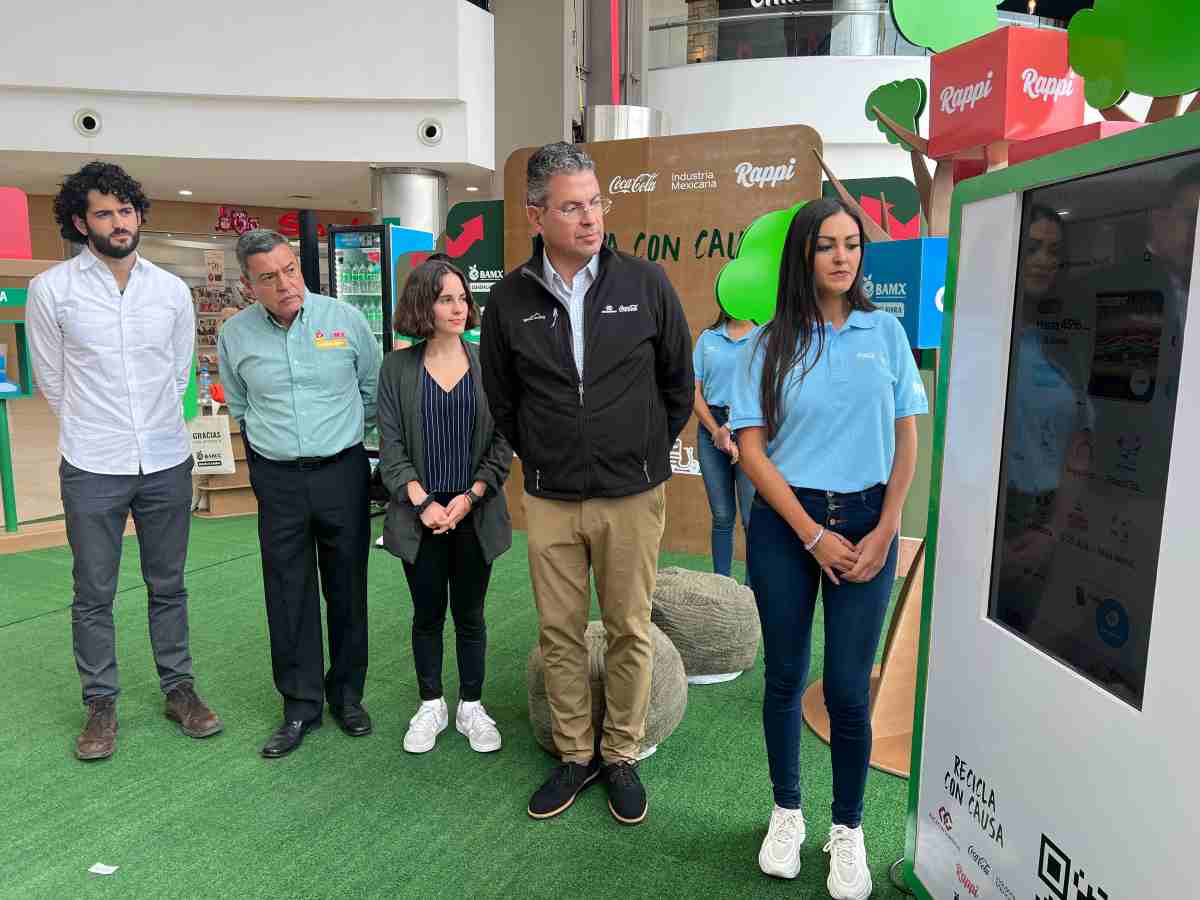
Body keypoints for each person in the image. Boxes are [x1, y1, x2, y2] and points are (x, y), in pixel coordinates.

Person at [480, 142, 693, 825]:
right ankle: (576, 754)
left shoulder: (645, 283)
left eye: (596, 202)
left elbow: (677, 383)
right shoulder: (508, 299)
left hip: (632, 495)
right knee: (560, 632)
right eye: (572, 207)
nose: (590, 218)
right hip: (550, 498)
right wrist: (544, 454)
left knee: (630, 627)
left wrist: (641, 452)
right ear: (536, 214)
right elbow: (502, 399)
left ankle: (621, 753)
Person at [730, 198, 927, 898]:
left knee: (847, 688)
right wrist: (812, 536)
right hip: (788, 526)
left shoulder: (886, 332)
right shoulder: (766, 344)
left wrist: (887, 529)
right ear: (803, 255)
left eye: (852, 244)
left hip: (871, 522)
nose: (842, 257)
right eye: (827, 245)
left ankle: (849, 829)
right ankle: (787, 812)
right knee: (785, 677)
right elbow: (752, 451)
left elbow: (907, 435)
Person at [27, 161, 223, 760]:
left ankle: (178, 689)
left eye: (127, 210)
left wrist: (150, 425)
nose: (119, 222)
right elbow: (52, 379)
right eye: (104, 213)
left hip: (165, 457)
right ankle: (101, 703)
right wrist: (95, 425)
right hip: (92, 461)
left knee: (169, 584)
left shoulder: (169, 291)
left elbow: (178, 371)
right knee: (93, 591)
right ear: (80, 223)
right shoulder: (52, 290)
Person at [218, 229, 382, 758]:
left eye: (290, 269)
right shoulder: (235, 335)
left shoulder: (345, 320)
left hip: (342, 472)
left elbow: (371, 391)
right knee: (287, 591)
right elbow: (240, 406)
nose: (285, 283)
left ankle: (347, 696)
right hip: (278, 479)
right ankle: (300, 705)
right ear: (250, 285)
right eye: (269, 277)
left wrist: (339, 438)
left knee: (347, 586)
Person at [376, 260, 513, 754]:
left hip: (475, 512)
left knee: (471, 614)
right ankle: (431, 703)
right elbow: (391, 446)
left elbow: (503, 442)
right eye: (445, 299)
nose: (459, 308)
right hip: (421, 516)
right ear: (423, 305)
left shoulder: (488, 365)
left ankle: (471, 706)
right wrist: (423, 502)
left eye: (462, 298)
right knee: (428, 613)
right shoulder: (396, 369)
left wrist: (471, 496)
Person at [692, 304, 756, 583]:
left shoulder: (763, 337)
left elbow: (765, 391)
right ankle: (722, 588)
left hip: (750, 428)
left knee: (751, 519)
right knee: (721, 516)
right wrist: (717, 431)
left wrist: (731, 427)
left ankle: (753, 592)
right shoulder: (708, 338)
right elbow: (693, 391)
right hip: (711, 429)